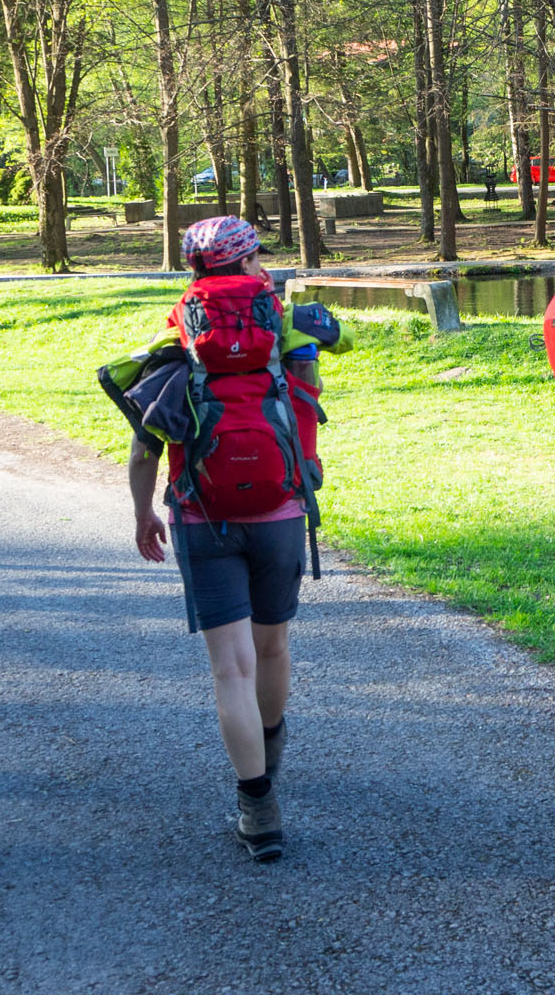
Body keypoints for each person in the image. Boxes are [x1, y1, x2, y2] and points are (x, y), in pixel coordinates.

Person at [117, 216, 348, 863]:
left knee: (231, 667)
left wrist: (143, 512)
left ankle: (257, 807)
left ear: (193, 271)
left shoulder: (178, 335)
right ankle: (269, 754)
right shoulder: (290, 325)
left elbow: (144, 445)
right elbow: (326, 370)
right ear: (249, 264)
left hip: (201, 515)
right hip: (279, 511)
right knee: (271, 648)